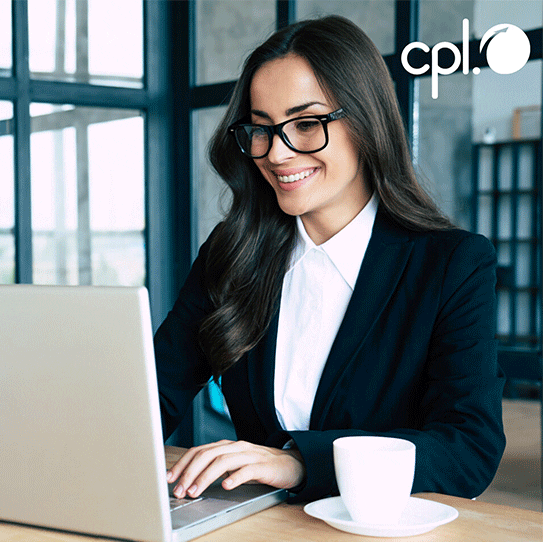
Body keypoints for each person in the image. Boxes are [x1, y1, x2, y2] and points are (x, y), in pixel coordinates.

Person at [155, 15, 505, 504]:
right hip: (256, 529)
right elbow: (153, 395)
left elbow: (468, 449)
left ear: (365, 122)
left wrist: (299, 462)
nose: (277, 154)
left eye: (305, 124)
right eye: (261, 130)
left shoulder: (451, 264)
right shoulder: (232, 253)